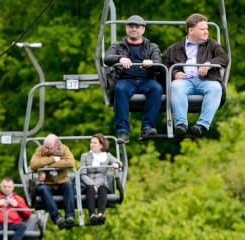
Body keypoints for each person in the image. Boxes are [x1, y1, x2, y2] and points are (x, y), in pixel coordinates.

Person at [161, 13, 229, 139]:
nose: (206, 32)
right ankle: (181, 124)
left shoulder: (212, 45)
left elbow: (224, 58)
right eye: (202, 29)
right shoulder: (175, 48)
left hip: (206, 80)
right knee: (175, 86)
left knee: (216, 88)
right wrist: (174, 73)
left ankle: (201, 125)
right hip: (185, 81)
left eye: (207, 29)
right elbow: (162, 65)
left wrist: (209, 63)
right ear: (191, 30)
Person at [103, 15, 163, 144]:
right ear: (126, 28)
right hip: (126, 80)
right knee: (120, 89)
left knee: (157, 89)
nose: (134, 29)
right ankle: (123, 131)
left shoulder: (152, 47)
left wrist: (151, 62)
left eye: (137, 27)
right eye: (131, 26)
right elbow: (107, 58)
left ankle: (147, 128)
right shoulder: (118, 46)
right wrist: (119, 59)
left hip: (146, 80)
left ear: (143, 30)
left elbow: (159, 63)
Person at [29, 134, 76, 228]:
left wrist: (48, 165)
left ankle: (70, 216)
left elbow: (70, 163)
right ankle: (57, 218)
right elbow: (33, 165)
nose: (46, 150)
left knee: (69, 184)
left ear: (56, 145)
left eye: (48, 148)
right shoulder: (40, 150)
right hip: (46, 184)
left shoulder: (64, 149)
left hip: (61, 183)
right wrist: (52, 159)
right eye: (45, 147)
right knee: (42, 189)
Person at [79, 133, 122, 225]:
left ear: (101, 145)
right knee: (90, 188)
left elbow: (119, 163)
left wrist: (116, 164)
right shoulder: (85, 156)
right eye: (91, 142)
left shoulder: (107, 156)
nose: (91, 144)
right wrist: (92, 184)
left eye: (94, 143)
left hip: (102, 184)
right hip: (88, 185)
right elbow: (82, 174)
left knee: (102, 188)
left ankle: (100, 213)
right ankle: (92, 214)